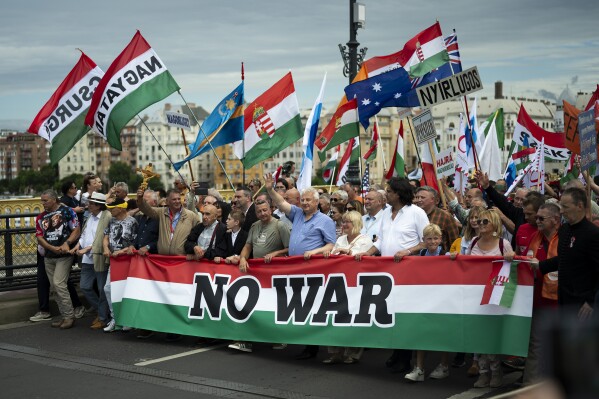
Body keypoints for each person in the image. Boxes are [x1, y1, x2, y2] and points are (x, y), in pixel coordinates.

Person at [353, 177, 429, 373]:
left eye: (389, 191)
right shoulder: (386, 213)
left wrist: (408, 251)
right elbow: (380, 241)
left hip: (409, 272)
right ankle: (397, 353)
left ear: (399, 193)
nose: (386, 194)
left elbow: (426, 241)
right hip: (388, 273)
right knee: (392, 313)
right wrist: (367, 253)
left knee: (405, 315)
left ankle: (405, 358)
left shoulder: (416, 213)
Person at [265, 173, 336, 360]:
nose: (304, 203)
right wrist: (270, 189)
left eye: (307, 200)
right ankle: (304, 342)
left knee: (312, 307)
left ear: (316, 202)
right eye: (302, 200)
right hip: (296, 269)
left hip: (313, 270)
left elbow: (331, 245)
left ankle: (312, 346)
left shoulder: (325, 221)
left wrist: (314, 252)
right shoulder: (296, 214)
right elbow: (281, 204)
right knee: (299, 305)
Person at [229, 198, 291, 353]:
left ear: (271, 209)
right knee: (250, 307)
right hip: (255, 274)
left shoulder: (280, 226)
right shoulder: (254, 226)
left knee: (272, 308)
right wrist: (243, 257)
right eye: (259, 211)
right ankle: (245, 341)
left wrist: (276, 253)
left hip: (274, 275)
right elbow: (248, 246)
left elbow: (290, 249)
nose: (262, 214)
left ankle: (278, 338)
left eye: (265, 210)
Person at [465, 209, 514, 389]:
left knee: (491, 336)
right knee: (478, 336)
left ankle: (496, 372)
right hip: (475, 294)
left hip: (495, 294)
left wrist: (511, 257)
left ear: (494, 224)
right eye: (479, 221)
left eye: (485, 221)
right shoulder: (474, 242)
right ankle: (483, 373)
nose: (480, 224)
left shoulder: (504, 244)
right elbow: (466, 264)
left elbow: (514, 267)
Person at [533, 187, 599, 319]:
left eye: (565, 207)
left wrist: (591, 301)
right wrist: (540, 265)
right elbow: (564, 258)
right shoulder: (564, 230)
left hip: (583, 304)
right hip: (564, 298)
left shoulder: (593, 234)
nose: (561, 211)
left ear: (579, 206)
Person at [321, 210, 373, 365]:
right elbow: (334, 255)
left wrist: (348, 252)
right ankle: (335, 352)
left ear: (356, 224)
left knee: (354, 318)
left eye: (347, 222)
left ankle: (353, 353)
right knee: (335, 317)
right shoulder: (341, 239)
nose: (343, 225)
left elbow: (360, 258)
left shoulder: (365, 240)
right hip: (339, 283)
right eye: (343, 222)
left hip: (356, 285)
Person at [517, 203, 560, 385]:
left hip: (561, 302)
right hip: (538, 301)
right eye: (537, 218)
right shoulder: (536, 237)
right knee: (536, 345)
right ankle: (530, 388)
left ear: (556, 221)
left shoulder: (566, 239)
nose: (537, 221)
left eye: (542, 218)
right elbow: (525, 262)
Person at [405, 223, 451, 382]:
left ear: (440, 239)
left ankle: (444, 366)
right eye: (429, 239)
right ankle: (419, 368)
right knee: (420, 332)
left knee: (443, 334)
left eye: (435, 238)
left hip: (441, 301)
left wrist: (454, 258)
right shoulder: (421, 254)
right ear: (424, 240)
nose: (432, 242)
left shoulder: (446, 255)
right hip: (423, 299)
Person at [35, 190, 81, 330]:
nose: (43, 203)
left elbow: (76, 229)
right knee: (54, 288)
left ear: (54, 200)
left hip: (64, 255)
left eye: (45, 200)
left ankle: (69, 316)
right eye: (42, 201)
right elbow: (40, 237)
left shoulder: (67, 211)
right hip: (49, 256)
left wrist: (67, 243)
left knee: (59, 283)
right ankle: (64, 316)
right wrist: (51, 248)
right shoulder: (41, 217)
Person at [71, 192, 111, 329]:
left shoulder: (107, 217)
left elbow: (103, 239)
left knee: (101, 289)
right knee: (85, 286)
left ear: (99, 205)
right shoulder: (89, 217)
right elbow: (83, 235)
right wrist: (78, 246)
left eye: (91, 204)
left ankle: (103, 317)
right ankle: (102, 312)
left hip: (99, 257)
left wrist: (87, 249)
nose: (88, 205)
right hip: (88, 259)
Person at [102, 198, 138, 332]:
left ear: (122, 208)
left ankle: (127, 319)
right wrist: (106, 248)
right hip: (114, 260)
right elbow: (105, 237)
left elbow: (135, 242)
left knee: (125, 290)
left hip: (127, 260)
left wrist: (121, 251)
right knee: (108, 288)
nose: (110, 210)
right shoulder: (111, 221)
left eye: (113, 208)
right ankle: (115, 317)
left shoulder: (132, 222)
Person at [136, 188, 200, 255]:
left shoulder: (190, 215)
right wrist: (140, 199)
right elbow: (146, 209)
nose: (177, 201)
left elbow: (200, 232)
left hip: (181, 260)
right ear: (167, 201)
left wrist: (193, 249)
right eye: (174, 199)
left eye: (178, 199)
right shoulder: (161, 212)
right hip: (163, 259)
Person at [414, 186, 460, 254]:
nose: (418, 200)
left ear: (434, 200)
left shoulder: (445, 216)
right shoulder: (413, 215)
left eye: (422, 197)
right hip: (418, 259)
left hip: (441, 260)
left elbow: (454, 241)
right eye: (417, 197)